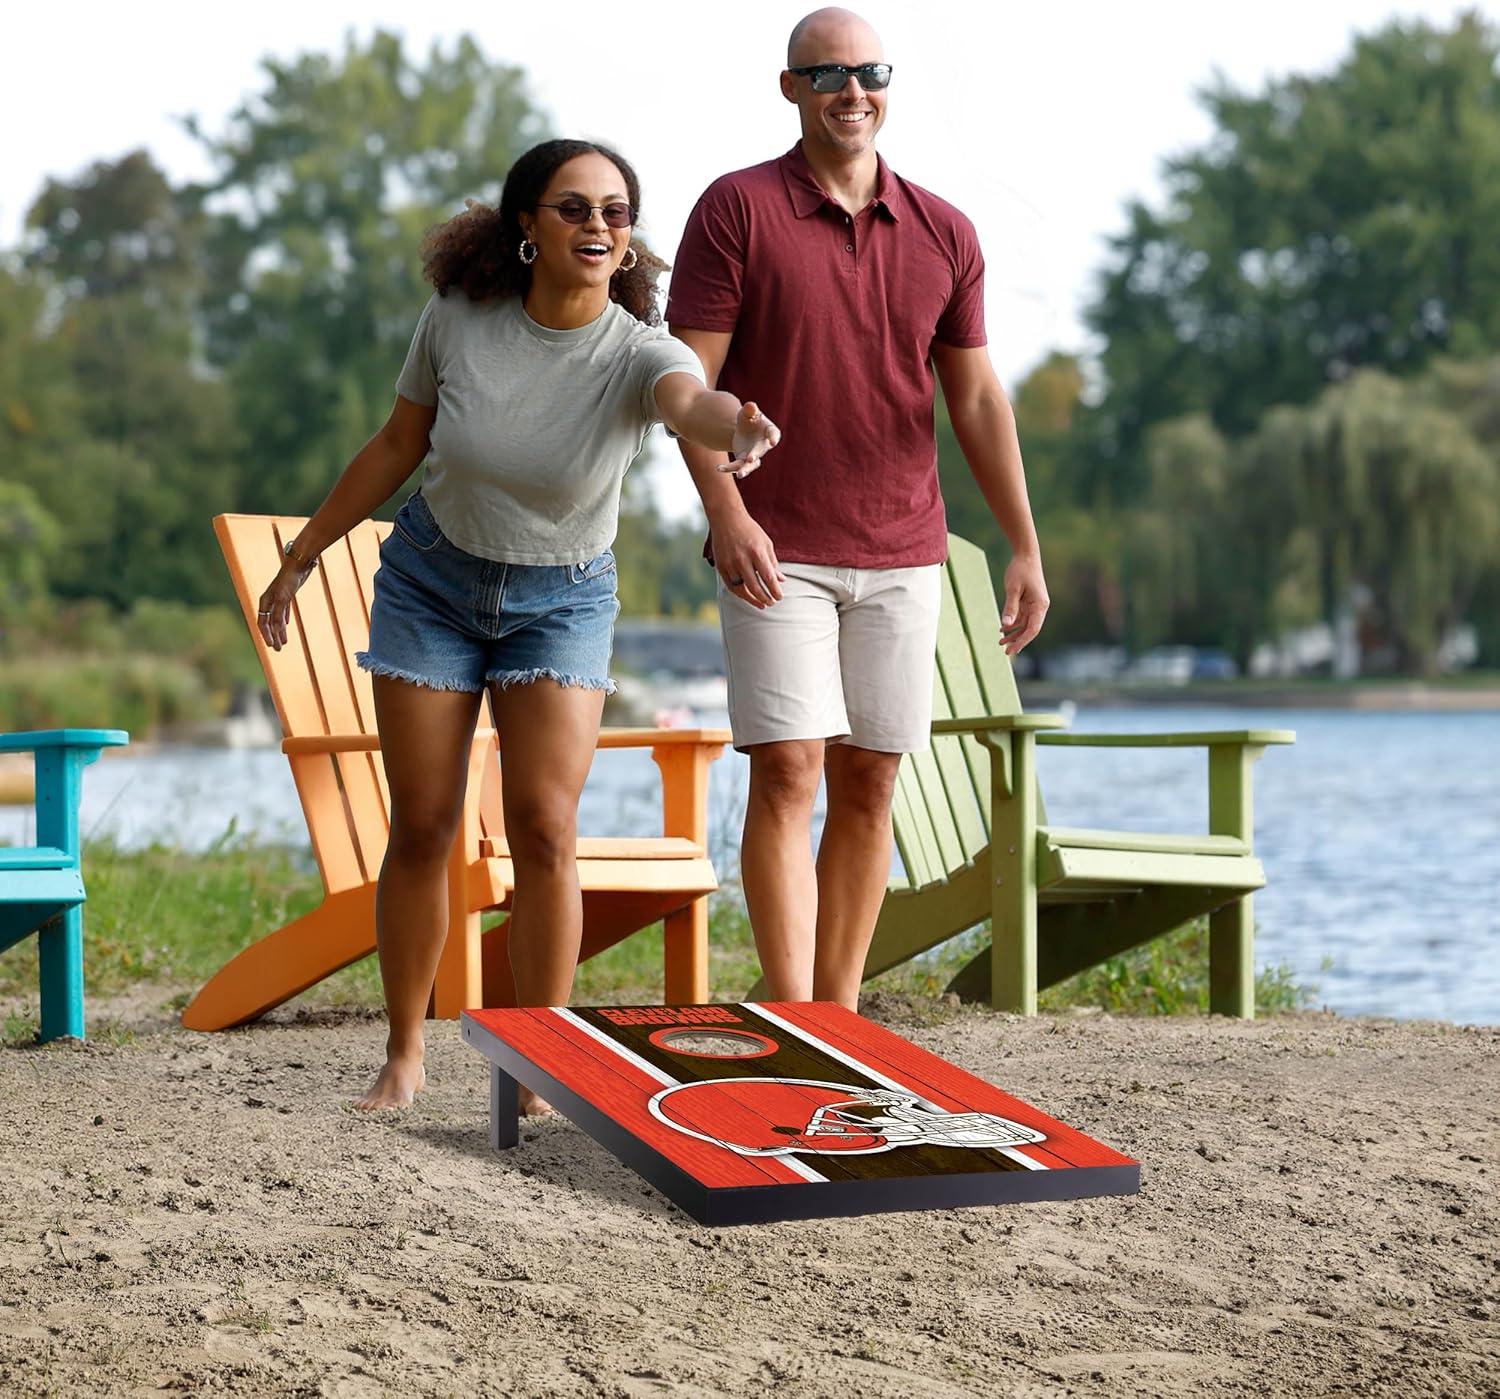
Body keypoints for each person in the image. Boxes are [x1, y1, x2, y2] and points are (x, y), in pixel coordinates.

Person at [256, 139, 780, 1111]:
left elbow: (688, 404)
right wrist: (306, 553)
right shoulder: (459, 319)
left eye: (615, 213)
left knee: (545, 827)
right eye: (574, 208)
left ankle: (541, 1062)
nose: (597, 226)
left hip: (563, 600)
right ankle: (405, 1053)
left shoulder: (639, 349)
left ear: (628, 242)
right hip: (431, 586)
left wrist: (734, 428)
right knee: (424, 823)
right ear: (528, 228)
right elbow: (397, 443)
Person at [667, 8, 1048, 1009]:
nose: (852, 90)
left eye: (869, 71)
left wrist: (1022, 544)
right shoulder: (735, 210)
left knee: (871, 781)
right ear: (788, 87)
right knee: (789, 770)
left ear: (889, 84)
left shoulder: (945, 231)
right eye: (828, 73)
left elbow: (974, 398)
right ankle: (791, 1010)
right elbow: (682, 387)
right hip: (774, 547)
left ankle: (835, 1012)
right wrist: (727, 514)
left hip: (903, 548)